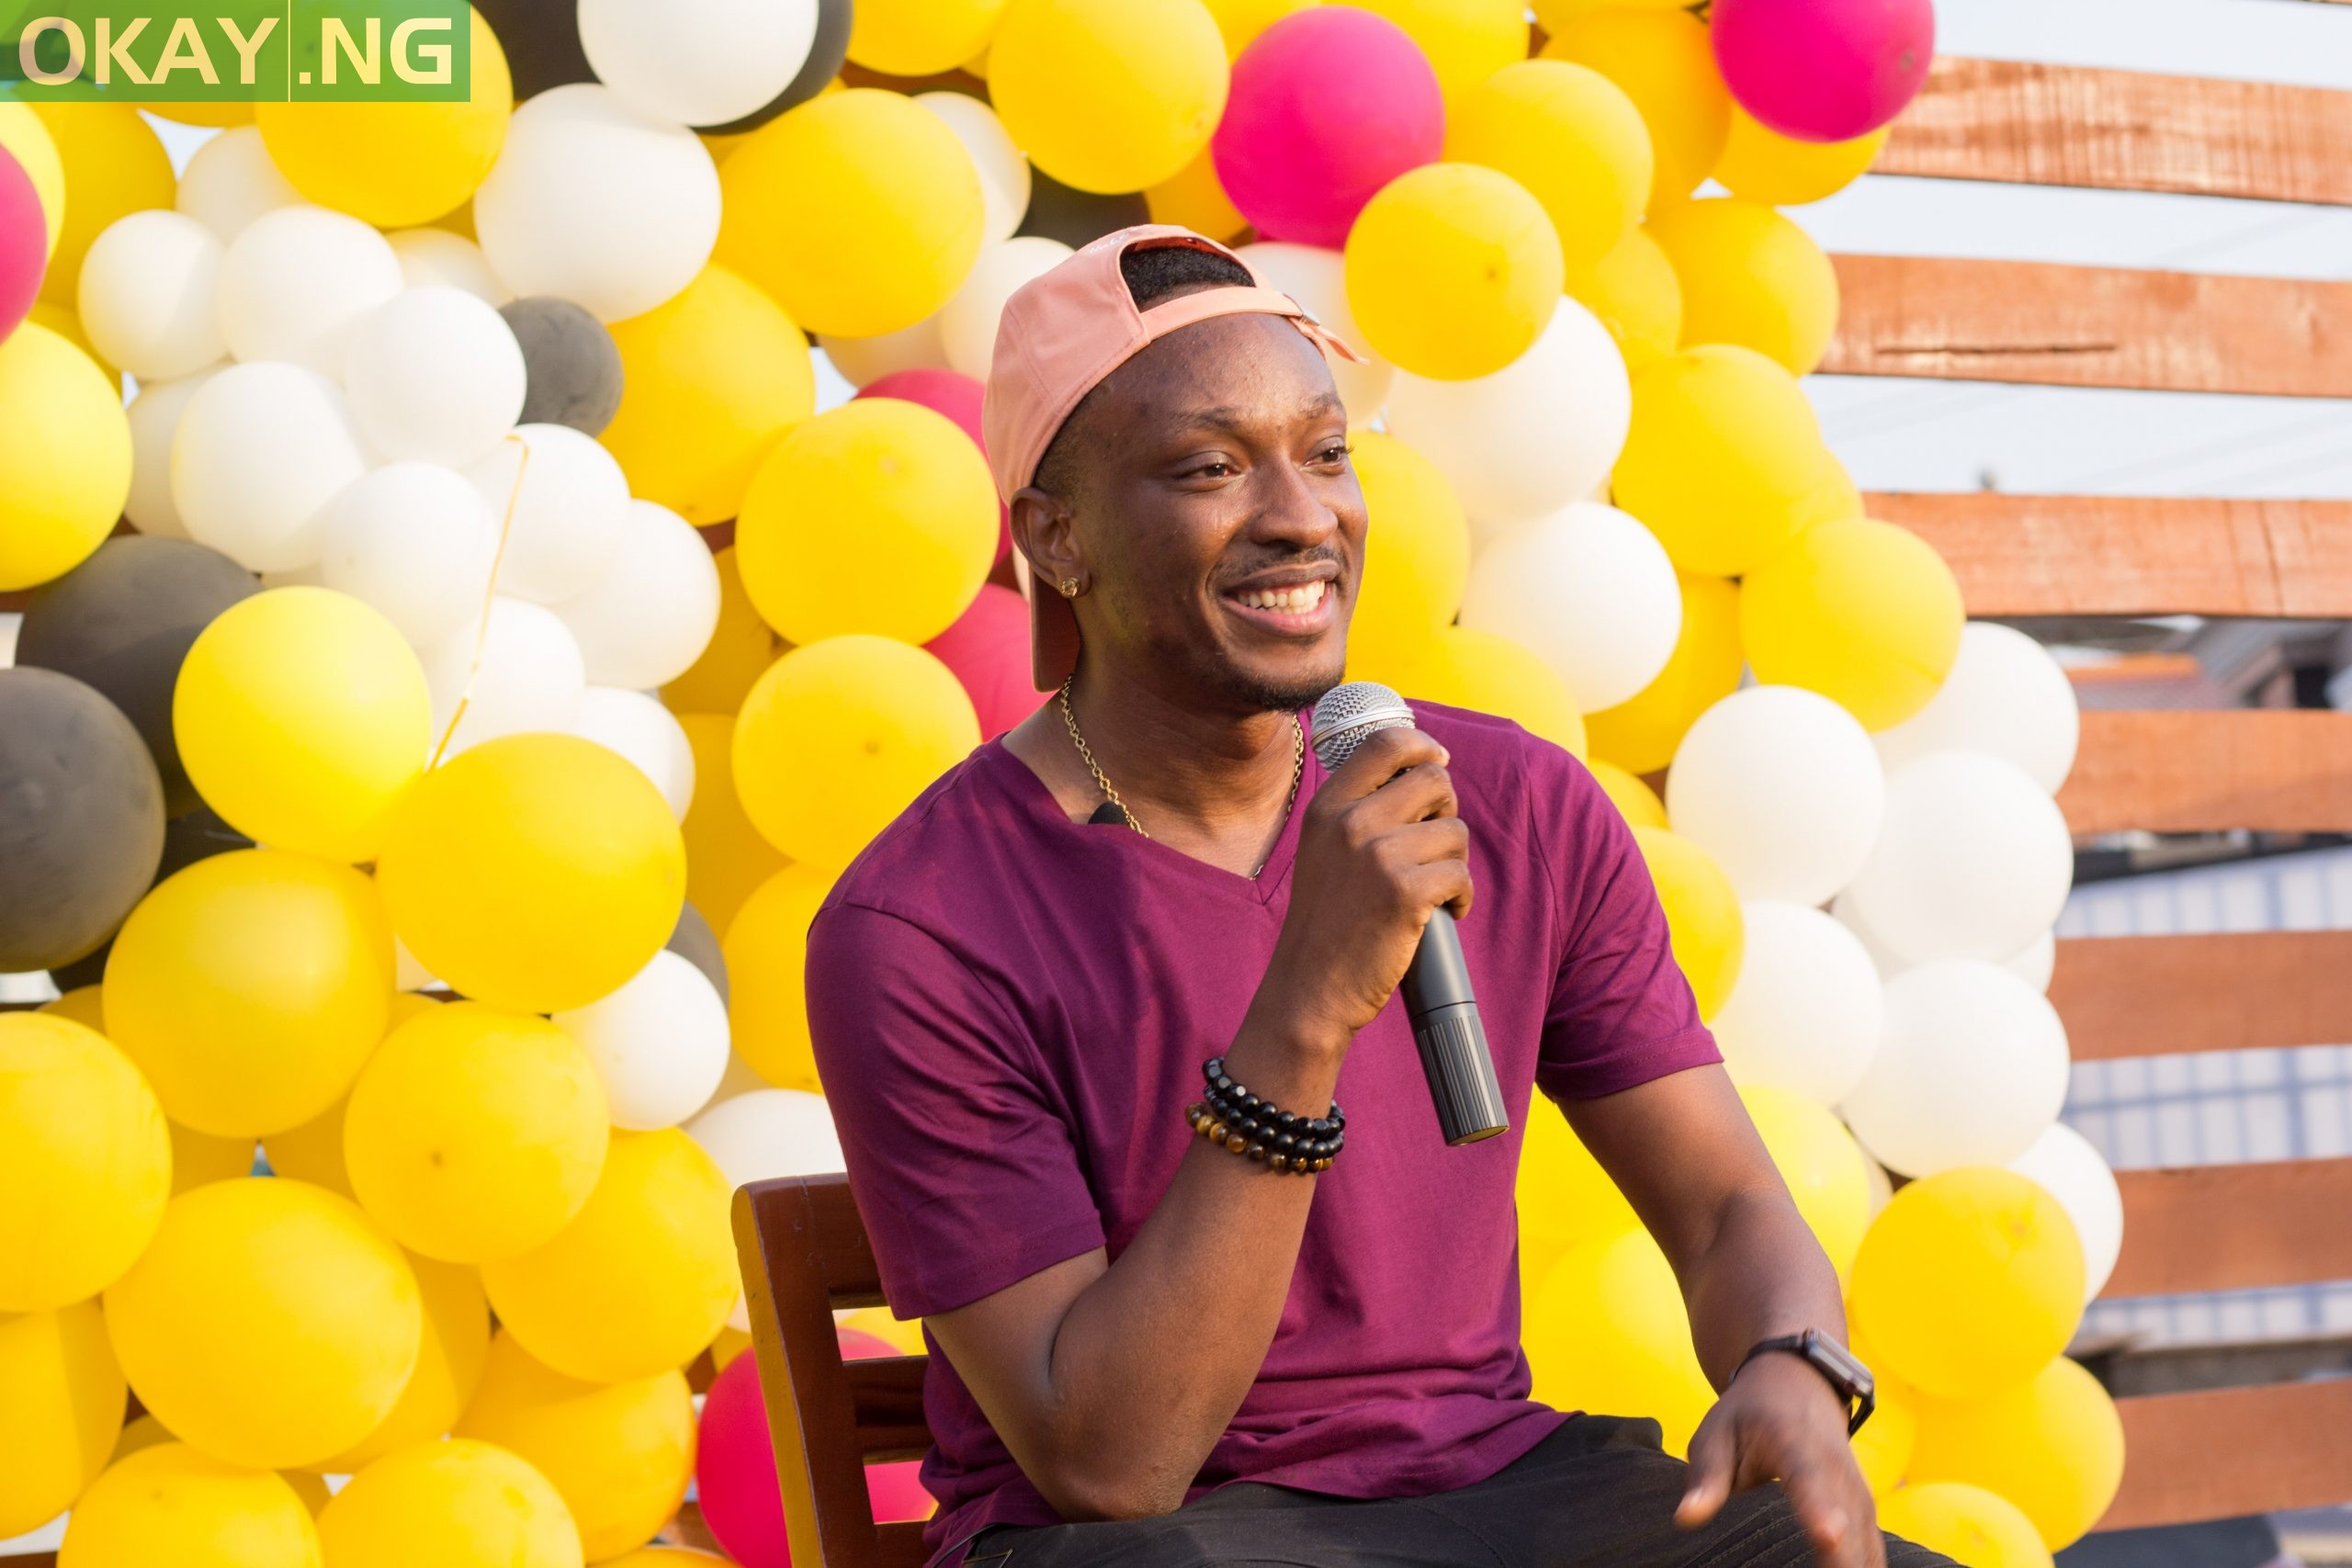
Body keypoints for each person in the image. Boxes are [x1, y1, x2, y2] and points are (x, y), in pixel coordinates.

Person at [806, 226, 1951, 1568]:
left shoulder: (1511, 803)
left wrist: (1793, 1361)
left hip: (1502, 1496)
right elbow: (1110, 1463)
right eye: (1211, 468)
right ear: (1058, 536)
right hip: (1163, 1539)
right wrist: (1309, 1000)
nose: (1303, 515)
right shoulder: (922, 928)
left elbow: (1725, 1209)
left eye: (1327, 452)